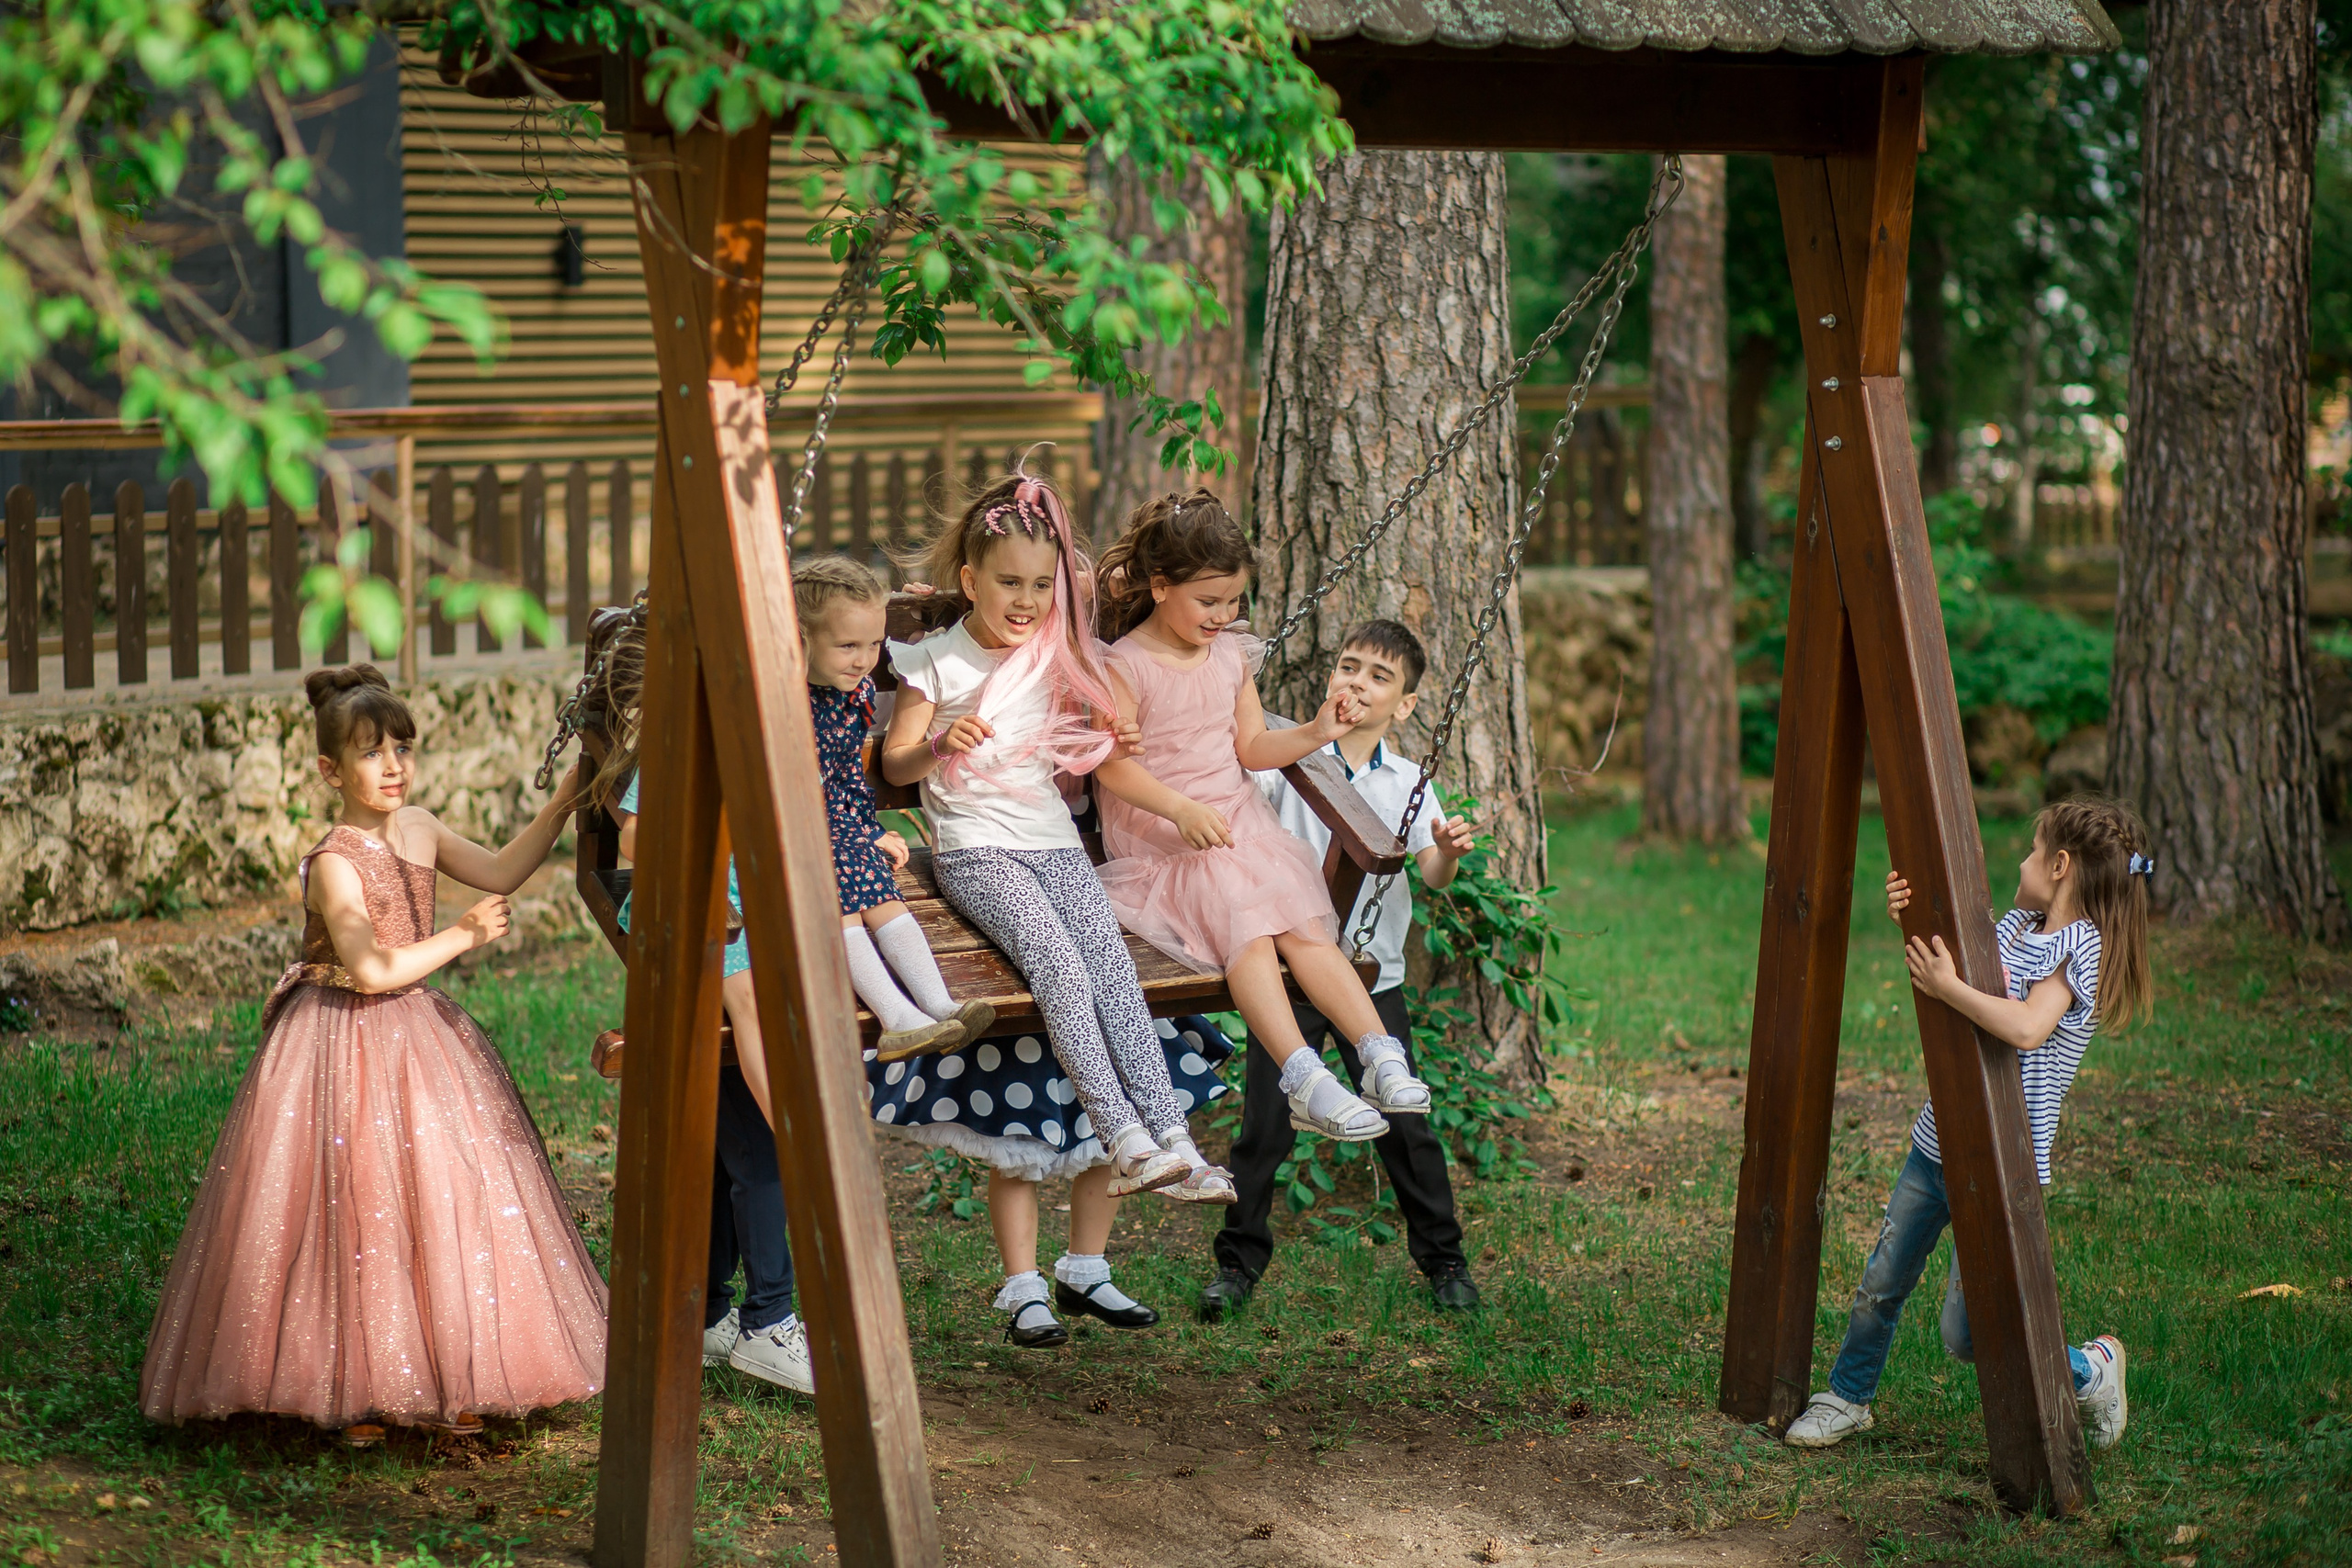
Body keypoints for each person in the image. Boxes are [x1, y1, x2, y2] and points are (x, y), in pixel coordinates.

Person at [141, 666, 606, 1446]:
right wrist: (462, 934)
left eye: (403, 747)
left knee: (443, 1188)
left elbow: (500, 868)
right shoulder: (333, 861)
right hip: (337, 1038)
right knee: (351, 1199)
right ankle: (353, 1383)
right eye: (371, 752)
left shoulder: (419, 826)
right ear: (331, 770)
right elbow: (369, 968)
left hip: (417, 1036)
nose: (393, 765)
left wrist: (564, 800)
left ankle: (451, 1367)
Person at [877, 468, 1237, 1340]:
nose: (1029, 600)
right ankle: (1122, 1133)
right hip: (976, 849)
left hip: (1051, 840)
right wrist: (935, 747)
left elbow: (1092, 722)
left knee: (1109, 963)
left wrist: (1118, 732)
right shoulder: (936, 659)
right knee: (1057, 966)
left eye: (1043, 585)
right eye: (1010, 583)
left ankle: (1175, 1147)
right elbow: (893, 765)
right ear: (970, 580)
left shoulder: (1054, 648)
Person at [1783, 797, 2154, 1452]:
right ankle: (1848, 1395)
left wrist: (1949, 989)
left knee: (1970, 1331)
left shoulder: (2080, 947)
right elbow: (1951, 954)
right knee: (1881, 1281)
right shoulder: (2017, 926)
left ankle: (2091, 1368)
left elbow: (2027, 1026)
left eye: (2034, 850)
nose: (2022, 859)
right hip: (1940, 1140)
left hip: (2004, 1161)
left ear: (2061, 865)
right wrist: (1910, 910)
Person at [1088, 490, 1429, 1147]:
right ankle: (1302, 1076)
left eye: (1233, 601)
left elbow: (1251, 748)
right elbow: (1111, 767)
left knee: (1305, 929)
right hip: (1165, 834)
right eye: (1208, 601)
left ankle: (1379, 1054)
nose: (1223, 616)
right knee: (1248, 928)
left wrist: (1314, 729)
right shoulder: (1126, 665)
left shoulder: (1228, 656)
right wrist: (1180, 809)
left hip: (1237, 824)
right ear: (1160, 586)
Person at [1197, 617, 1485, 1319]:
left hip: (1371, 979)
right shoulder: (1289, 759)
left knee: (1407, 1128)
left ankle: (1444, 1261)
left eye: (1379, 676)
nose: (1358, 681)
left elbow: (1435, 875)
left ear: (1406, 704)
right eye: (1349, 666)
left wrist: (1447, 848)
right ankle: (1237, 1264)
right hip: (1291, 979)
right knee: (1265, 1125)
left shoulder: (1410, 781)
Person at [571, 612, 812, 1393]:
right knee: (746, 1012)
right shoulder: (678, 748)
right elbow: (636, 842)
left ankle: (717, 1308)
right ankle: (800, 1135)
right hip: (695, 907)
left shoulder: (759, 743)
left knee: (754, 1029)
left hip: (744, 902)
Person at [797, 554, 991, 1059]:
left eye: (873, 644)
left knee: (881, 895)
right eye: (847, 646)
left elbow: (845, 779)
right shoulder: (784, 701)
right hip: (790, 839)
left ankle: (939, 1005)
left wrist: (868, 830)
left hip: (836, 829)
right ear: (800, 641)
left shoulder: (854, 689)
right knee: (843, 893)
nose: (865, 660)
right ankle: (897, 1018)